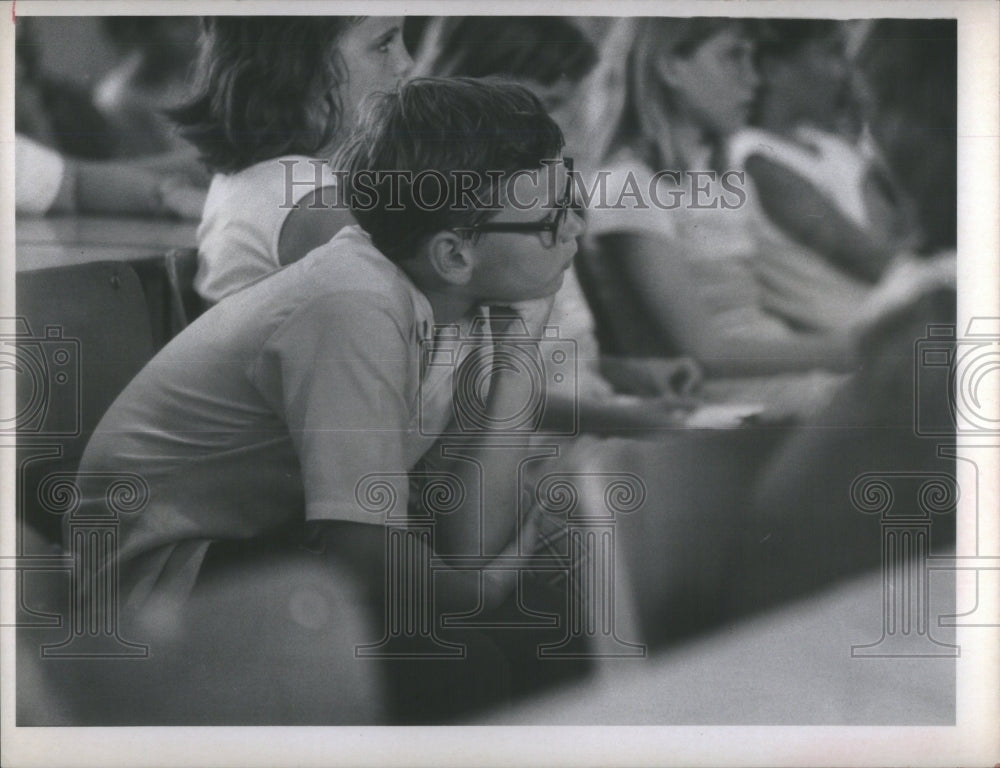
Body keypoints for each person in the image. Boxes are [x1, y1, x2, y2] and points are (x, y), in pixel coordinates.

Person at [68, 78, 583, 723]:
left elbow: (464, 534)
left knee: (550, 626)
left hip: (273, 549)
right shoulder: (354, 305)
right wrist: (481, 592)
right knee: (469, 662)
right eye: (553, 220)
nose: (577, 229)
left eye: (575, 200)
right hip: (168, 587)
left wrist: (518, 356)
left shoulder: (455, 303)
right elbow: (364, 556)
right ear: (454, 254)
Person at [579, 18, 860, 398]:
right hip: (717, 394)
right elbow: (704, 352)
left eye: (752, 58)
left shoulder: (719, 179)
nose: (753, 79)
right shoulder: (626, 184)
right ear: (670, 66)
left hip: (774, 372)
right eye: (733, 56)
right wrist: (850, 349)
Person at [171, 16, 413, 304]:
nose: (406, 63)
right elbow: (406, 323)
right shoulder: (306, 201)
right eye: (384, 44)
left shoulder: (266, 177)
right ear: (300, 66)